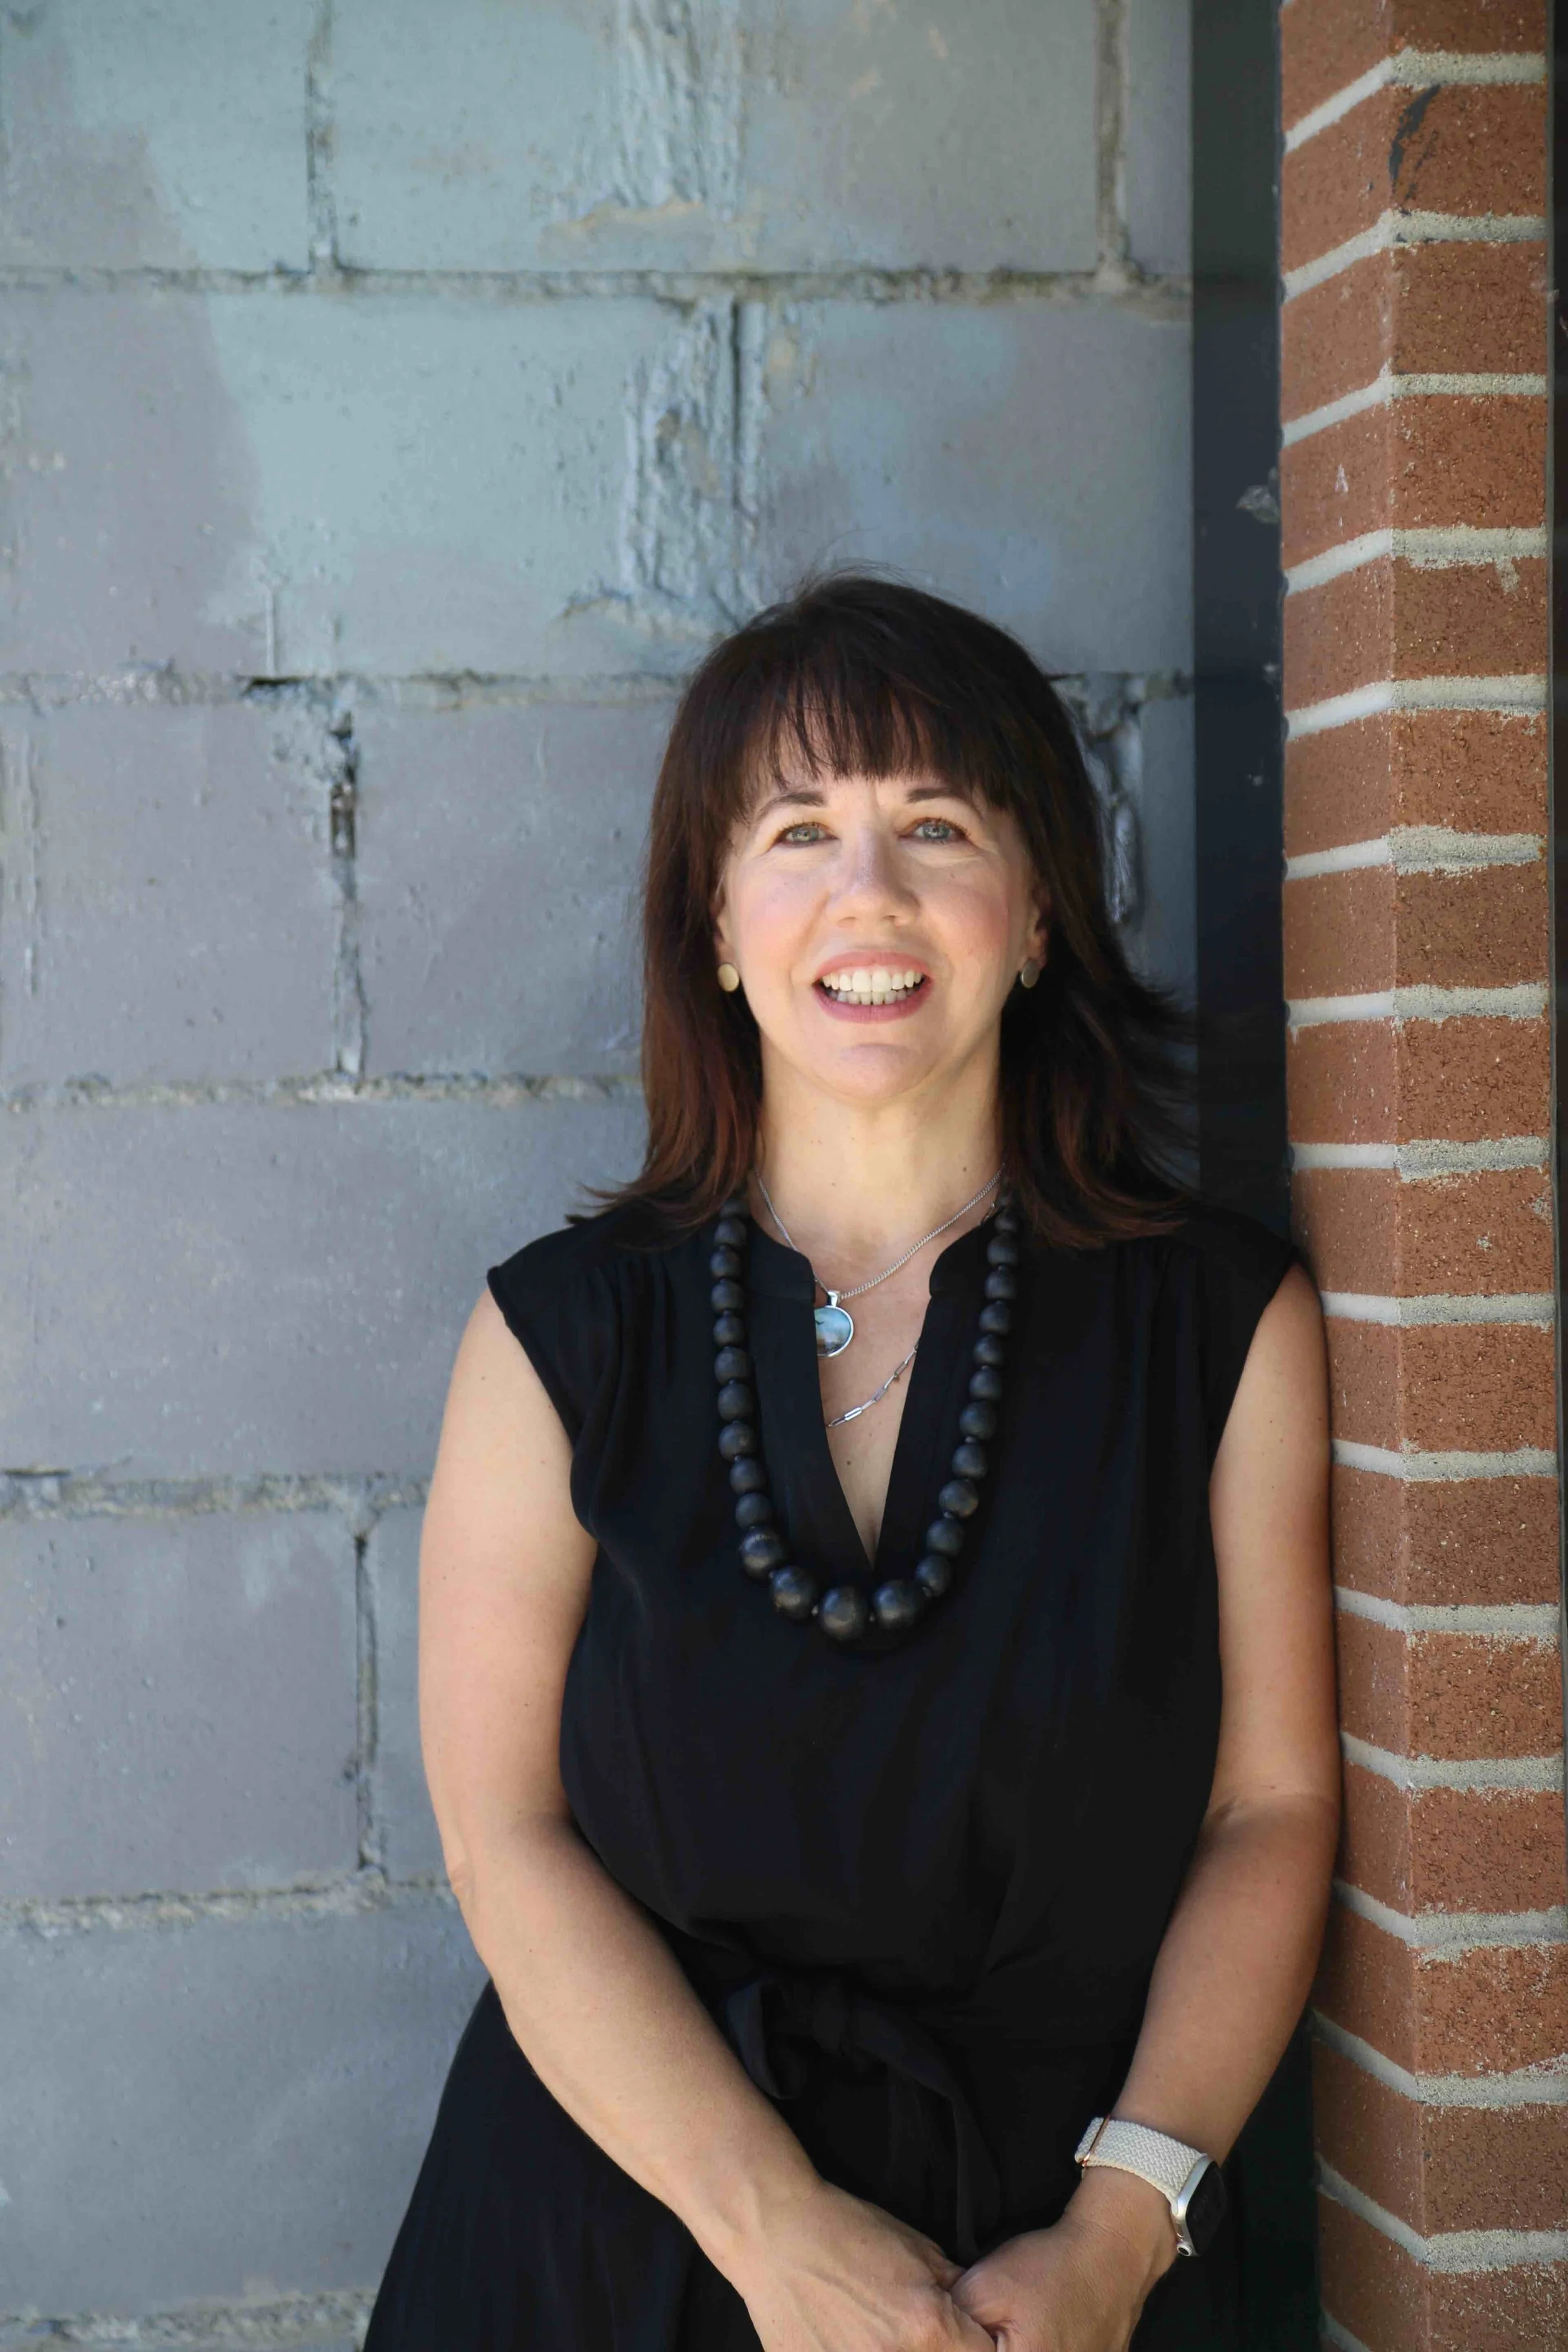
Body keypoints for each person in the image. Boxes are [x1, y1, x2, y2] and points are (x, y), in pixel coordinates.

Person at [363, 574, 1337, 2351]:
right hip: (617, 2231)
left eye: (937, 826)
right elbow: (502, 1833)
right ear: (718, 928)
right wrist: (771, 2225)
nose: (867, 893)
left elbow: (1264, 1811)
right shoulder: (556, 1336)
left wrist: (1121, 2228)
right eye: (798, 829)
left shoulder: (1219, 1324)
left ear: (1036, 912)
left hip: (1063, 2260)